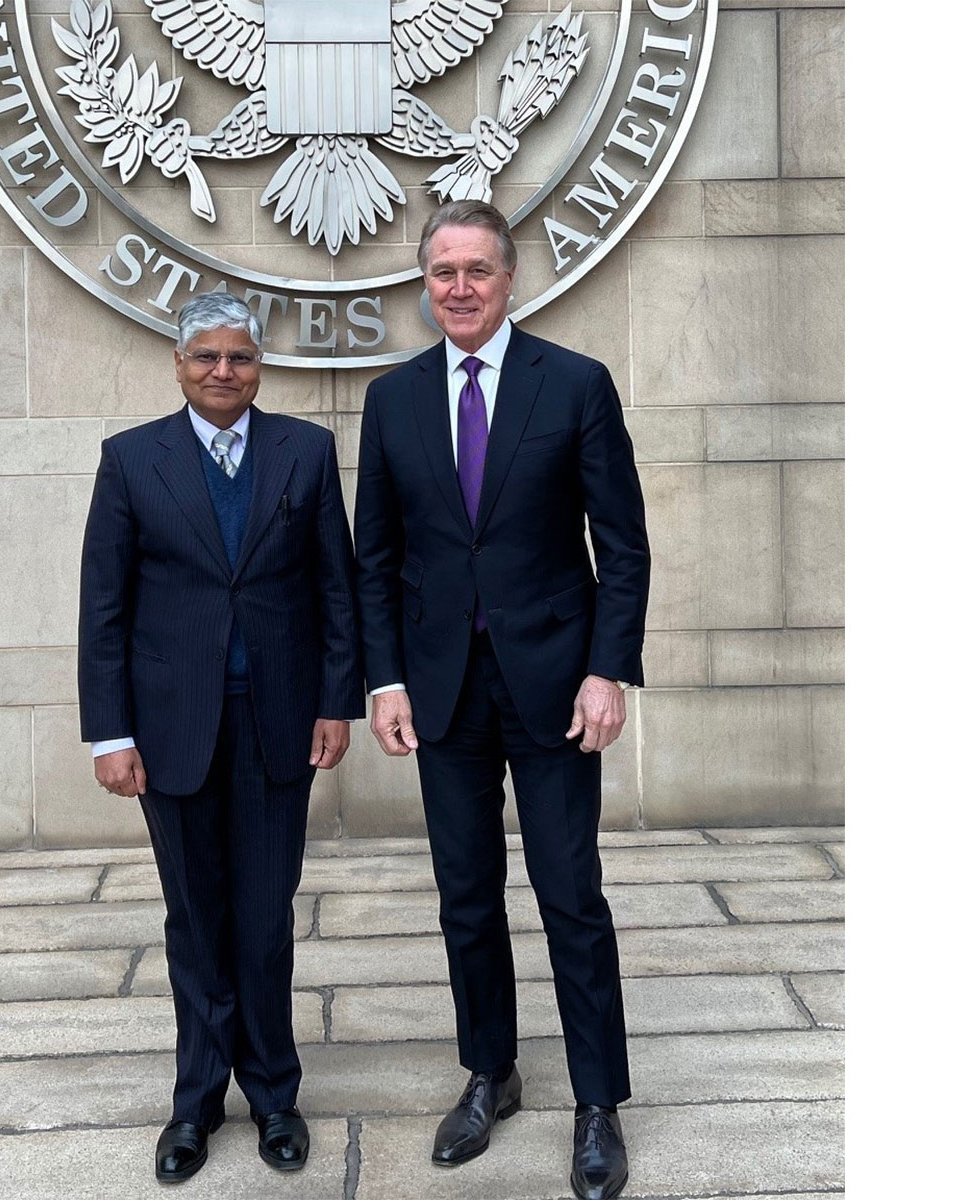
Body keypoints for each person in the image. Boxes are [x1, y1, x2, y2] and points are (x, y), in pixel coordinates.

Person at [353, 200, 651, 1200]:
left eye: (478, 268)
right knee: (466, 898)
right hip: (442, 694)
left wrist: (608, 671)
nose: (460, 286)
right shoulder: (390, 401)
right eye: (443, 271)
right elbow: (374, 562)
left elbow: (624, 545)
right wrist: (384, 679)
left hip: (557, 687)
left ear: (510, 278)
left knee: (571, 896)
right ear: (424, 283)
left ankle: (598, 1103)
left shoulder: (572, 386)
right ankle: (491, 1072)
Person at [78, 291, 362, 1183]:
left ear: (259, 366)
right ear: (178, 364)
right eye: (206, 357)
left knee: (265, 919)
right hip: (172, 731)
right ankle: (196, 1102)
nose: (223, 371)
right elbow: (104, 609)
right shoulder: (130, 461)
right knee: (196, 919)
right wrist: (108, 734)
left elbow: (336, 590)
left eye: (238, 357)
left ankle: (275, 1094)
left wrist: (335, 702)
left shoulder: (306, 453)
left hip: (278, 723)